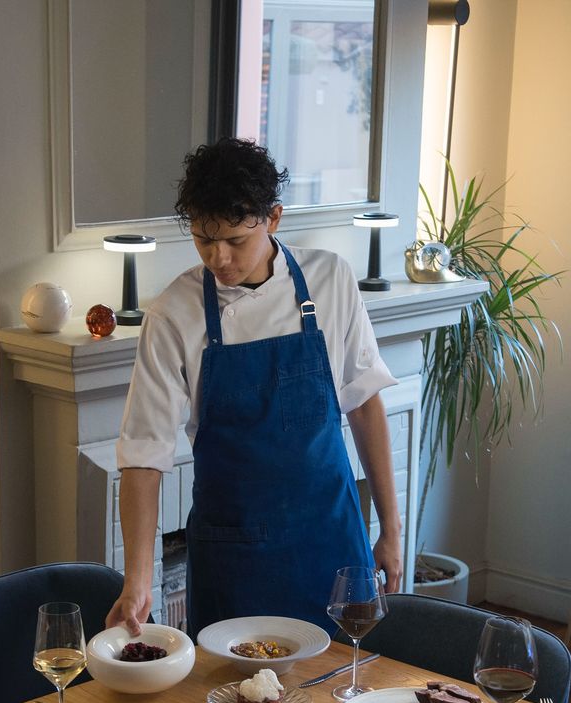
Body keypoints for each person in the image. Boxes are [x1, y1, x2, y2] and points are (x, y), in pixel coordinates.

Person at [106, 137, 402, 640]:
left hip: (330, 540)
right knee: (232, 686)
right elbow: (143, 454)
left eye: (235, 240)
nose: (218, 257)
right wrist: (137, 579)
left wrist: (391, 530)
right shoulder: (173, 314)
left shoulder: (330, 278)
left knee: (347, 680)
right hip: (234, 559)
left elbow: (364, 403)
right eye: (203, 240)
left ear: (273, 219)